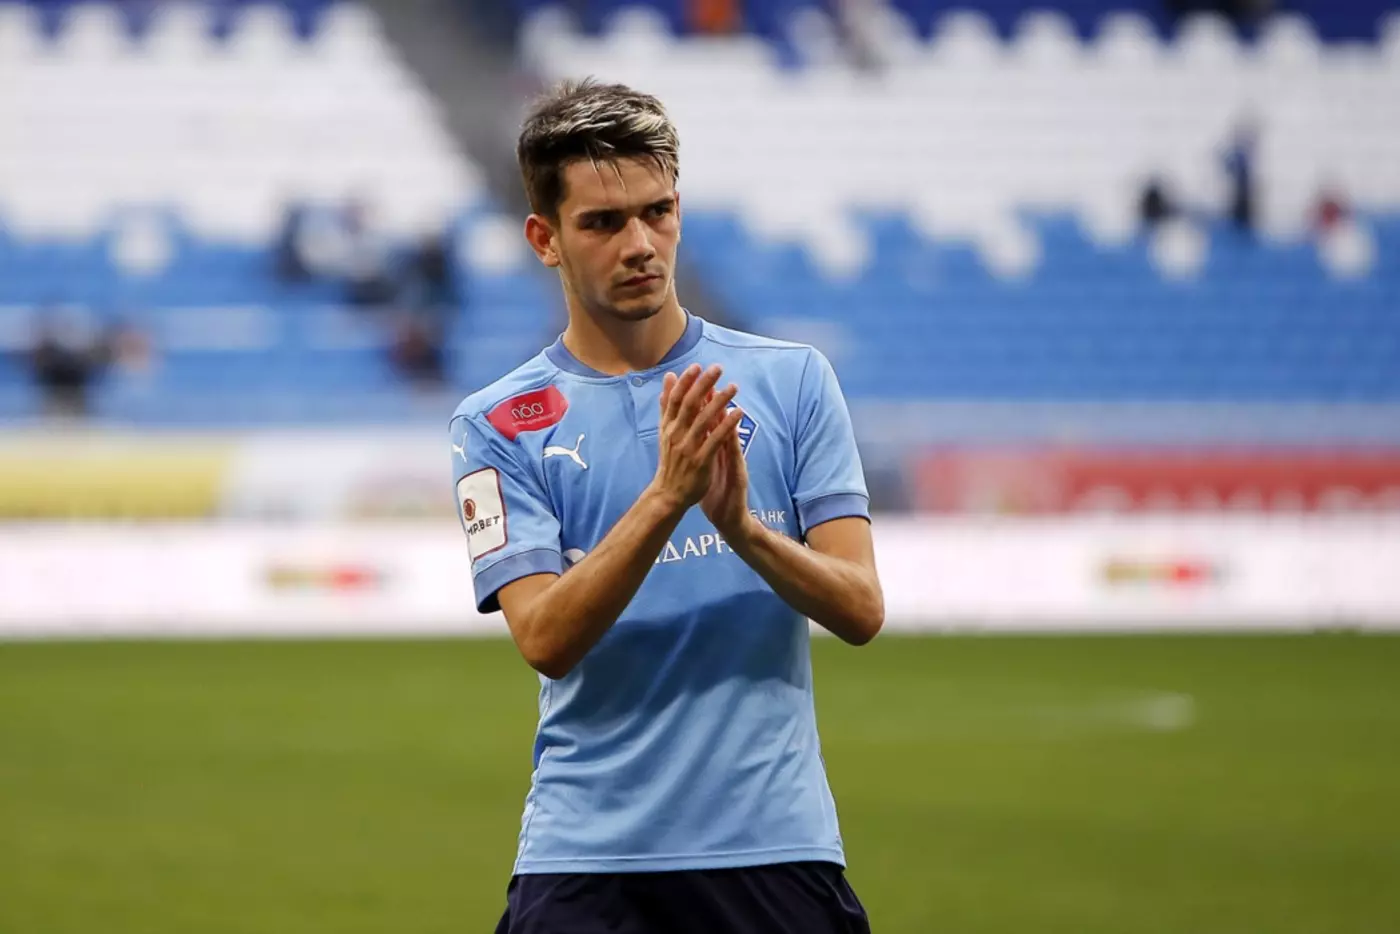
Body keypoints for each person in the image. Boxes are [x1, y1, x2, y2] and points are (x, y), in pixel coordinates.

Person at [448, 79, 882, 933]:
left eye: (658, 212)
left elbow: (861, 608)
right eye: (603, 223)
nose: (640, 244)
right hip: (586, 862)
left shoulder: (793, 381)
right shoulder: (495, 424)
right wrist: (665, 499)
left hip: (773, 847)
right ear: (544, 239)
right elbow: (546, 639)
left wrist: (744, 532)